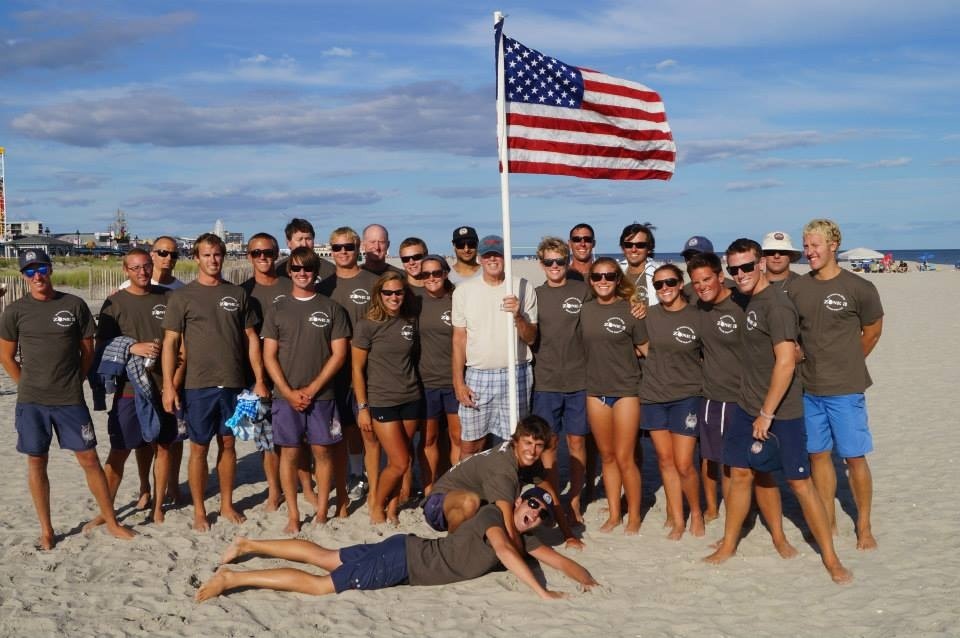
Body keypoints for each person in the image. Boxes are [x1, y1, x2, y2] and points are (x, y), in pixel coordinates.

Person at [704, 239, 852, 584]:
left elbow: (786, 362)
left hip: (781, 411)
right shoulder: (745, 299)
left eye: (746, 266)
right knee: (740, 474)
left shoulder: (777, 305)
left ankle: (831, 559)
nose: (740, 274)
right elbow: (703, 288)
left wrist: (766, 413)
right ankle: (728, 544)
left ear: (760, 265)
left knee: (800, 482)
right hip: (745, 404)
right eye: (733, 269)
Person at [195, 486, 597, 602]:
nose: (534, 515)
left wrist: (588, 581)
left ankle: (248, 544)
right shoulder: (494, 516)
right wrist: (542, 593)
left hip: (404, 549)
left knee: (325, 557)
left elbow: (561, 562)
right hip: (404, 562)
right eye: (532, 505)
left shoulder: (526, 538)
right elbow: (504, 552)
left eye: (542, 514)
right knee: (320, 585)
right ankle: (232, 578)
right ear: (520, 501)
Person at [0, 249, 135, 549]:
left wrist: (75, 379)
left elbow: (88, 351)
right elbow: (6, 356)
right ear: (23, 276)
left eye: (41, 269)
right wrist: (26, 385)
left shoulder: (74, 305)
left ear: (50, 269)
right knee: (37, 461)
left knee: (89, 459)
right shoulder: (15, 310)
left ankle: (111, 521)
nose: (37, 276)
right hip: (32, 402)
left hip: (69, 399)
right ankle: (47, 530)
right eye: (30, 271)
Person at [687, 253, 795, 555]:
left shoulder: (743, 302)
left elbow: (779, 340)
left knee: (761, 471)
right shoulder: (696, 305)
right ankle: (731, 535)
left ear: (721, 277)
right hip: (715, 397)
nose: (702, 286)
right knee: (730, 469)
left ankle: (778, 536)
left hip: (747, 399)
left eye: (707, 279)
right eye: (696, 282)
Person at [786, 219, 883, 550]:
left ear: (833, 245)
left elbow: (873, 331)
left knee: (854, 457)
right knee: (818, 455)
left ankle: (864, 526)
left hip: (845, 388)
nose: (809, 251)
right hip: (808, 388)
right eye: (806, 245)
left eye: (815, 245)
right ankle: (827, 519)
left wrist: (850, 362)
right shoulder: (798, 288)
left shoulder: (859, 287)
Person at [161, 233, 268, 531]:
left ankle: (226, 504)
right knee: (198, 447)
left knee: (229, 443)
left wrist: (259, 379)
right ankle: (199, 510)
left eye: (217, 254)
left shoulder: (238, 294)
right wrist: (169, 385)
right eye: (206, 255)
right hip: (198, 385)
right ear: (196, 258)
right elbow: (170, 343)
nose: (213, 260)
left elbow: (251, 339)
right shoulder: (182, 297)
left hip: (234, 383)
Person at [90, 248, 182, 527]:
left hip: (164, 383)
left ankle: (157, 506)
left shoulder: (168, 297)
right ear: (125, 271)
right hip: (130, 387)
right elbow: (101, 347)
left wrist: (174, 382)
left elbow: (182, 339)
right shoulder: (115, 302)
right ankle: (106, 511)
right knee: (120, 449)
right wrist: (132, 347)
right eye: (135, 268)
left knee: (162, 447)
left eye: (146, 266)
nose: (142, 272)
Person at [262, 247, 351, 533]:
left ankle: (322, 510)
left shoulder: (332, 308)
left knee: (322, 451)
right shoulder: (277, 309)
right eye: (297, 268)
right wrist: (287, 392)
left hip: (322, 396)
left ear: (316, 272)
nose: (302, 273)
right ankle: (293, 513)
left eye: (308, 268)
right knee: (289, 454)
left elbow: (339, 354)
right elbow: (268, 356)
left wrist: (312, 388)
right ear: (289, 272)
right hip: (285, 397)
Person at [424, 415, 578, 548]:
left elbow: (549, 494)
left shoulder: (527, 460)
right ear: (515, 441)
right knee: (471, 503)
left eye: (538, 446)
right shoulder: (503, 468)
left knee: (508, 514)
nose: (532, 451)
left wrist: (568, 535)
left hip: (474, 502)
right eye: (528, 443)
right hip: (438, 505)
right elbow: (507, 524)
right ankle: (452, 547)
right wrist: (519, 552)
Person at [452, 235, 538, 456]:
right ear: (480, 259)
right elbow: (459, 339)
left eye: (497, 255)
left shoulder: (522, 286)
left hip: (516, 372)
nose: (493, 259)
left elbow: (531, 338)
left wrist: (518, 315)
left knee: (515, 443)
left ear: (505, 257)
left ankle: (508, 479)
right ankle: (470, 480)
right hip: (478, 376)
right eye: (488, 255)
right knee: (472, 444)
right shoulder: (463, 291)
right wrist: (458, 382)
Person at [637, 264, 705, 540]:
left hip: (687, 395)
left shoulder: (697, 316)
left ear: (680, 284)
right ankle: (677, 519)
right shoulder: (647, 315)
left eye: (670, 282)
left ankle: (696, 512)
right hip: (653, 396)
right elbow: (639, 344)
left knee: (684, 463)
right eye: (658, 284)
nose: (664, 288)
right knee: (665, 461)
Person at [579, 258, 647, 534]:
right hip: (596, 391)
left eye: (609, 276)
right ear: (591, 281)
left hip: (627, 391)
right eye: (597, 277)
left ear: (618, 279)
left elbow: (647, 349)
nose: (603, 281)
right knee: (607, 457)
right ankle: (615, 513)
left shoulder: (631, 309)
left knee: (624, 457)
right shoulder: (584, 310)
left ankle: (634, 516)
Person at [120, 235, 187, 506]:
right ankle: (144, 487)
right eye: (162, 253)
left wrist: (175, 381)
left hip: (170, 378)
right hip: (137, 381)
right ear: (152, 254)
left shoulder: (179, 291)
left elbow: (183, 342)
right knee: (142, 439)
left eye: (173, 254)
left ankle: (173, 485)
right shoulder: (127, 288)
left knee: (174, 438)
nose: (167, 258)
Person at [352, 272, 423, 525]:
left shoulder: (409, 321)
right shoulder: (367, 325)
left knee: (404, 459)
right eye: (388, 293)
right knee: (399, 461)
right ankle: (376, 503)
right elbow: (357, 369)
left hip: (411, 397)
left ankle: (392, 508)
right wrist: (363, 407)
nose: (394, 297)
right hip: (382, 400)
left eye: (398, 292)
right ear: (379, 295)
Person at [316, 227, 380, 503]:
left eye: (348, 247)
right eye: (337, 248)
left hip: (368, 369)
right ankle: (351, 472)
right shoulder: (323, 287)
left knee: (368, 429)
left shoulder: (373, 282)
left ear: (358, 249)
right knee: (342, 427)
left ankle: (368, 479)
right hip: (334, 371)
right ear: (331, 251)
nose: (343, 252)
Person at [531, 237, 590, 524]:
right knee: (549, 444)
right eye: (549, 261)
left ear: (567, 261)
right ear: (541, 264)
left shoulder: (582, 290)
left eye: (560, 260)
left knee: (577, 442)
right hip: (546, 381)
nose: (555, 266)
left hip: (579, 380)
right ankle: (553, 500)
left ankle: (575, 501)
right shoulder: (535, 295)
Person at [240, 233, 295, 512]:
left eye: (269, 252)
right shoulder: (242, 291)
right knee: (265, 438)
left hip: (293, 369)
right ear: (249, 256)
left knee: (295, 436)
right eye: (257, 253)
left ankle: (300, 485)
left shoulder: (291, 285)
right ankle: (275, 490)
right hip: (255, 375)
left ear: (277, 254)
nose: (263, 257)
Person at [416, 255, 460, 486]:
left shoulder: (457, 299)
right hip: (426, 383)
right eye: (426, 274)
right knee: (428, 439)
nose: (431, 278)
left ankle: (455, 487)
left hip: (455, 382)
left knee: (458, 438)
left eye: (436, 273)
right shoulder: (414, 301)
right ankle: (429, 489)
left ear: (445, 273)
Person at [276, 218, 336, 282]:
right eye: (299, 239)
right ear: (288, 243)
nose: (304, 244)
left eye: (308, 239)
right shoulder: (278, 269)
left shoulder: (329, 269)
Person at [619, 222, 659, 309]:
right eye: (628, 245)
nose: (634, 249)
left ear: (649, 248)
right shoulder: (615, 273)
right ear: (622, 248)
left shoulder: (658, 273)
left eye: (640, 245)